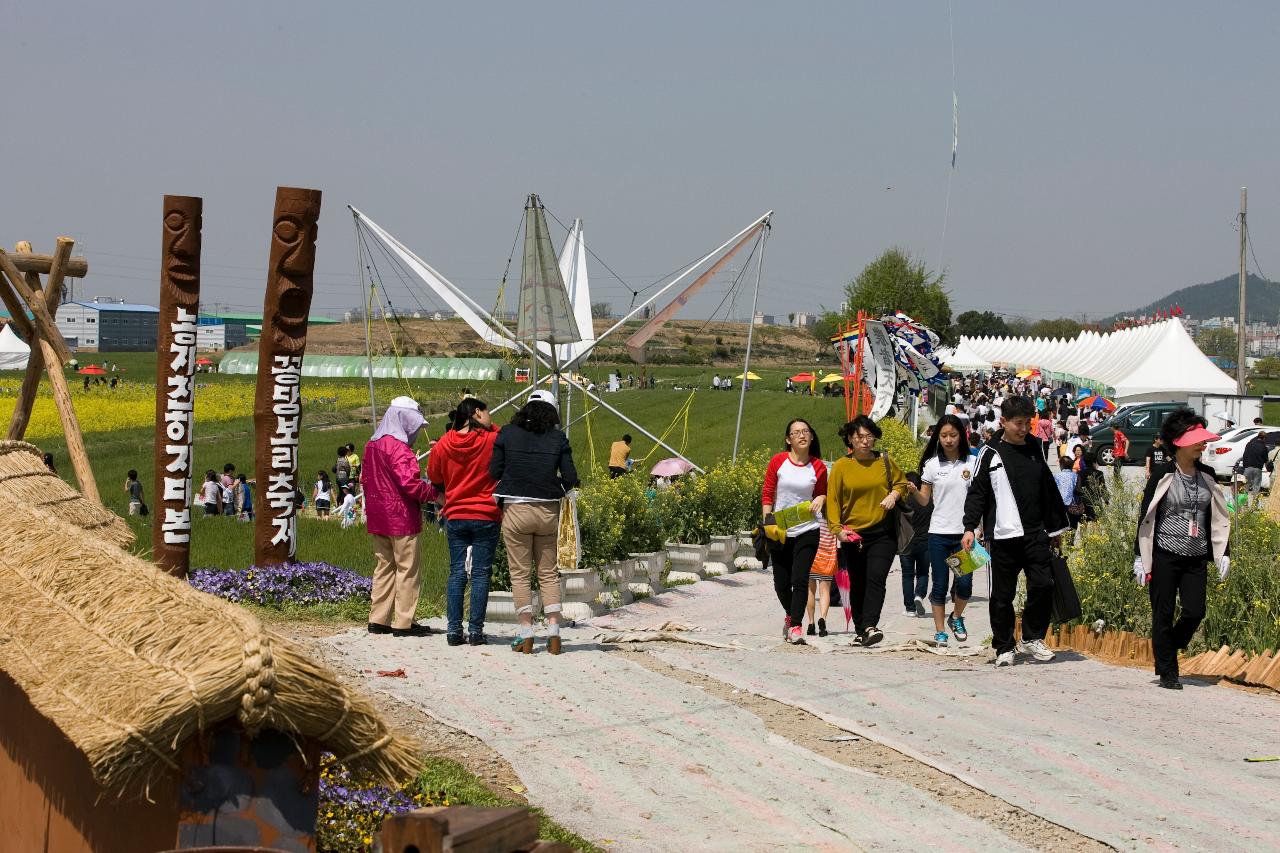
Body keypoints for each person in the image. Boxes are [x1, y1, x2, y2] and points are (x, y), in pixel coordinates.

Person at [962, 396, 1071, 667]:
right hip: (1003, 535)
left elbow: (1046, 487)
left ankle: (1032, 637)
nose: (1024, 429)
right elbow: (977, 493)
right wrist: (969, 527)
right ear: (1004, 422)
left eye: (1027, 423)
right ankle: (1004, 646)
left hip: (1035, 533)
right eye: (1018, 424)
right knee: (1002, 595)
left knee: (1044, 584)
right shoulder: (989, 452)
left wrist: (1054, 527)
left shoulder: (1035, 446)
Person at [1133, 410, 1229, 690]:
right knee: (1162, 612)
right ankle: (1168, 672)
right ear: (1178, 442)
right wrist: (1139, 556)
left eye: (1203, 440)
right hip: (1164, 553)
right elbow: (1145, 517)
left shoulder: (1208, 475)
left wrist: (1224, 552)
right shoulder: (1163, 474)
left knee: (1195, 611)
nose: (1203, 445)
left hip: (1196, 556)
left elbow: (1219, 517)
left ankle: (1169, 646)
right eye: (1197, 440)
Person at [489, 389, 579, 654]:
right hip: (548, 511)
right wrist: (554, 486)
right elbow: (571, 476)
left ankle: (526, 634)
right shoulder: (557, 438)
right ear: (552, 412)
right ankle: (553, 631)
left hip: (516, 509)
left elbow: (494, 471)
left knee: (520, 574)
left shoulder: (506, 433)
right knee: (548, 573)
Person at [825, 415, 909, 648]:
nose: (865, 441)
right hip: (853, 534)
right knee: (858, 582)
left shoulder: (884, 461)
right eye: (859, 437)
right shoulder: (842, 466)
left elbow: (901, 483)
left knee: (876, 578)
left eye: (869, 436)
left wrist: (893, 495)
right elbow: (832, 500)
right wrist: (836, 529)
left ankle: (871, 625)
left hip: (883, 532)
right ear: (850, 439)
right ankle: (861, 628)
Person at [427, 397, 501, 647]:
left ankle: (453, 631)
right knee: (480, 573)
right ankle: (476, 632)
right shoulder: (491, 439)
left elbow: (434, 476)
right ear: (478, 413)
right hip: (486, 514)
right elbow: (503, 434)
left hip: (455, 514)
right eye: (487, 412)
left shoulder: (443, 444)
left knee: (457, 572)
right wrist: (487, 425)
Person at [362, 396, 436, 638]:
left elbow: (366, 480)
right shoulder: (399, 448)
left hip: (378, 516)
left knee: (383, 567)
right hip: (401, 517)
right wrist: (436, 495)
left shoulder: (372, 445)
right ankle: (404, 622)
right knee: (407, 569)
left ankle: (378, 619)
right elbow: (411, 484)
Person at [907, 414, 975, 647]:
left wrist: (978, 529)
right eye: (944, 435)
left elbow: (978, 499)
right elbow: (925, 500)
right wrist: (914, 491)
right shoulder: (932, 465)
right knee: (939, 585)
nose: (948, 440)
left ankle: (956, 617)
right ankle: (939, 632)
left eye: (953, 435)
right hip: (938, 534)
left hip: (965, 535)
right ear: (938, 437)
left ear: (961, 436)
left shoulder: (971, 463)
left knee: (964, 585)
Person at [762, 419, 827, 644]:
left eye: (805, 431)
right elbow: (768, 492)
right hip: (780, 529)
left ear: (811, 437)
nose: (801, 435)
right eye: (796, 432)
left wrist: (820, 497)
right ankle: (790, 615)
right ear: (788, 439)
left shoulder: (818, 466)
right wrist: (766, 521)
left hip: (808, 529)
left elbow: (822, 492)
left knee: (800, 579)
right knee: (781, 582)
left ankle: (796, 626)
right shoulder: (778, 461)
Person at [899, 471, 931, 619]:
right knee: (923, 572)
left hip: (906, 543)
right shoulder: (928, 501)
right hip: (925, 541)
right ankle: (919, 595)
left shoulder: (903, 501)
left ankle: (910, 608)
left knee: (907, 575)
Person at [1240, 430, 1269, 508]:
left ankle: (1244, 504)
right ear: (1264, 438)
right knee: (1256, 487)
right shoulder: (1264, 447)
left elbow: (1244, 455)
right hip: (1258, 469)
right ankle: (1254, 506)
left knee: (1245, 487)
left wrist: (1245, 466)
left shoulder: (1249, 444)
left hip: (1247, 468)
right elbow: (1266, 460)